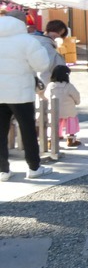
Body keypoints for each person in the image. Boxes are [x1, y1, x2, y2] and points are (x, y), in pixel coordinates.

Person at [0, 10, 52, 181]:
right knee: (28, 130)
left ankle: (3, 170)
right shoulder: (28, 41)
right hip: (21, 92)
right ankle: (34, 167)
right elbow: (42, 64)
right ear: (22, 22)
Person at [45, 64, 81, 149]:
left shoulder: (51, 86)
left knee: (54, 123)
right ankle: (71, 139)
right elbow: (76, 95)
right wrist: (77, 102)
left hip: (55, 109)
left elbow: (47, 96)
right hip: (68, 109)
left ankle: (52, 140)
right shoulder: (69, 86)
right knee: (71, 122)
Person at [33, 19, 68, 85]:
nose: (58, 36)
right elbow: (46, 68)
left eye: (60, 34)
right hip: (43, 82)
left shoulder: (35, 39)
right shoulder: (47, 44)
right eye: (58, 32)